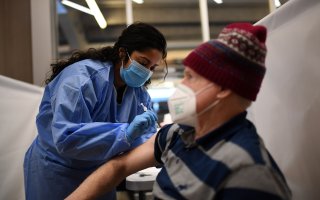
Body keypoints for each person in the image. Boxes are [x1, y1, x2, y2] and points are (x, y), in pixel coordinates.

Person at [65, 23, 292, 200]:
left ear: (222, 88)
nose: (180, 85)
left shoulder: (249, 172)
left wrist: (130, 134)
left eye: (190, 77)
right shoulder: (178, 134)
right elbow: (119, 166)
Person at [23, 22, 167, 200]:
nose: (146, 72)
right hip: (56, 170)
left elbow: (145, 138)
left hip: (100, 171)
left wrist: (161, 143)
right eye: (143, 63)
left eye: (152, 68)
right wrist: (125, 134)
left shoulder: (138, 93)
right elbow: (66, 137)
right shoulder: (80, 79)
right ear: (122, 53)